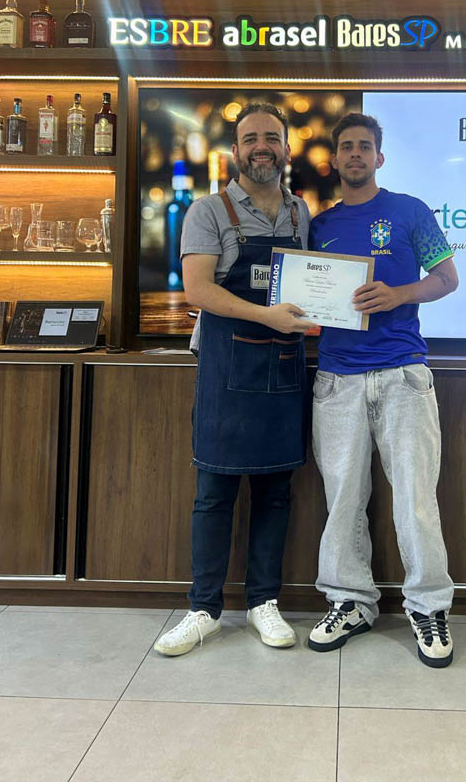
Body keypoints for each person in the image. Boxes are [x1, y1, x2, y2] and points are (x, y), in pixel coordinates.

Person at [155, 102, 311, 657]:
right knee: (214, 493)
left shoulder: (300, 211)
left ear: (286, 149)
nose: (261, 147)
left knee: (275, 491)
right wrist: (267, 315)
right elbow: (198, 290)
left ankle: (264, 602)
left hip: (284, 365)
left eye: (271, 137)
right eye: (251, 139)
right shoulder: (208, 211)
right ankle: (203, 609)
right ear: (236, 151)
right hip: (227, 367)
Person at [307, 112, 458, 668]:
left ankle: (429, 607)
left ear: (379, 157)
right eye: (346, 146)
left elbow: (447, 279)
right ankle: (350, 602)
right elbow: (307, 294)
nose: (355, 154)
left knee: (416, 499)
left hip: (402, 374)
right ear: (334, 159)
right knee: (343, 499)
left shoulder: (410, 211)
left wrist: (398, 295)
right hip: (337, 379)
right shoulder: (318, 226)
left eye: (364, 146)